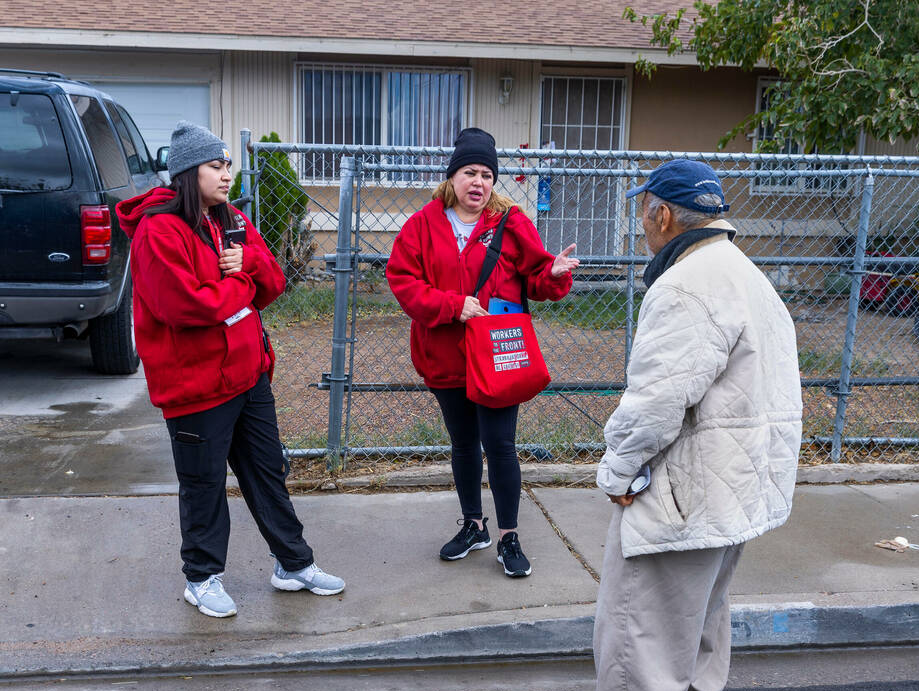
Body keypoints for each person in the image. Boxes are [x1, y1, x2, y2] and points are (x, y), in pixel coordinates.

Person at [578, 159, 803, 691]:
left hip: (687, 483)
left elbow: (655, 402)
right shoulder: (748, 276)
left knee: (642, 610)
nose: (640, 223)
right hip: (740, 483)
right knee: (701, 607)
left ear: (662, 214)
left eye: (642, 210)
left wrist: (618, 473)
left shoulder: (684, 285)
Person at [116, 121, 345, 618]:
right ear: (185, 173)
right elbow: (187, 307)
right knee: (203, 486)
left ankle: (293, 564)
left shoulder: (231, 221)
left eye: (227, 165)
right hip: (195, 388)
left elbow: (274, 281)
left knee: (267, 474)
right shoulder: (158, 232)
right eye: (215, 167)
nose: (226, 176)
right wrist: (241, 288)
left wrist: (247, 269)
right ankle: (201, 578)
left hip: (247, 376)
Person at [386, 127, 579, 577]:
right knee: (463, 445)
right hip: (444, 356)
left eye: (488, 175)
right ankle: (475, 525)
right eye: (470, 172)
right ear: (452, 177)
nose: (479, 182)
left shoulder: (511, 223)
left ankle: (509, 535)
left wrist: (553, 271)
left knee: (500, 443)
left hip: (496, 357)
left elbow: (535, 277)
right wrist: (454, 306)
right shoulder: (422, 225)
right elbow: (404, 282)